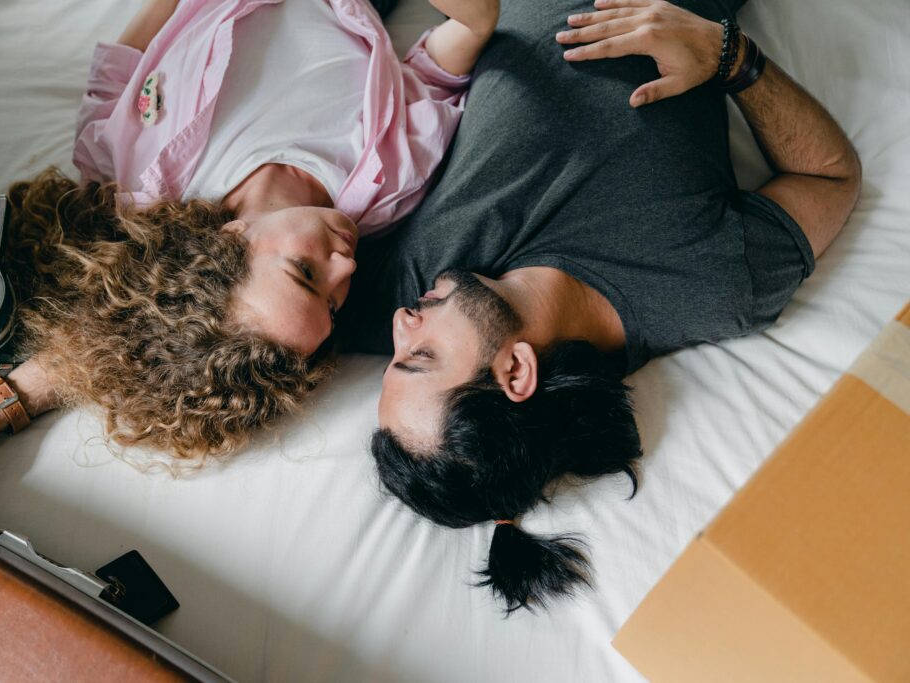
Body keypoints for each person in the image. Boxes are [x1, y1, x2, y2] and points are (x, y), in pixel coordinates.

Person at [337, 0, 861, 612]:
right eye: (420, 356)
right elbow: (830, 178)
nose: (402, 324)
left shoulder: (408, 285)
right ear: (515, 372)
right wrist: (729, 57)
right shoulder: (710, 282)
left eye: (394, 354)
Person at [0, 0, 499, 484]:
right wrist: (477, 20)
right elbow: (435, 69)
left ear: (221, 248)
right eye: (334, 301)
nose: (345, 264)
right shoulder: (386, 185)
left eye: (305, 274)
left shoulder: (140, 179)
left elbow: (119, 71)